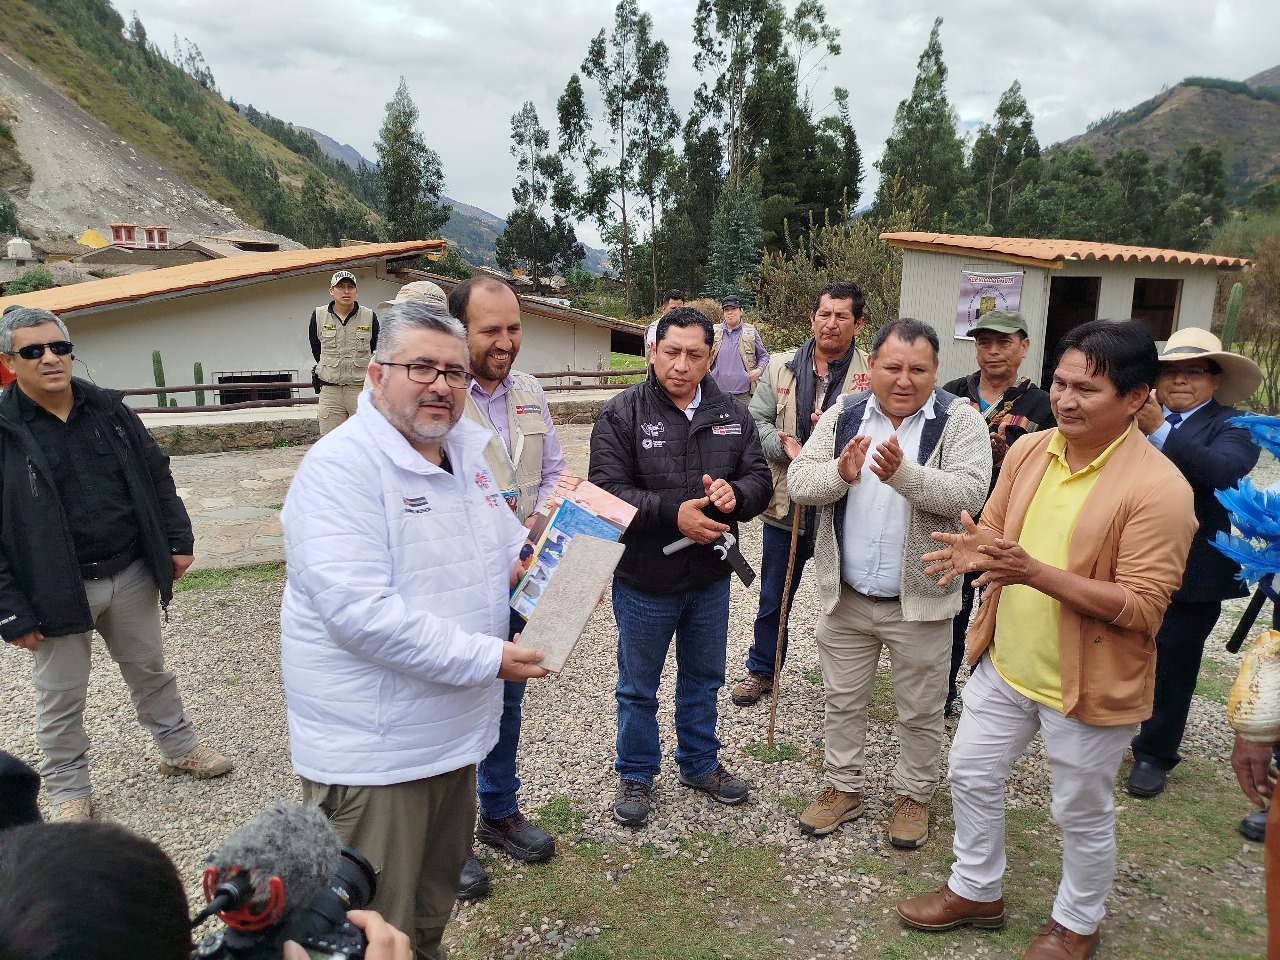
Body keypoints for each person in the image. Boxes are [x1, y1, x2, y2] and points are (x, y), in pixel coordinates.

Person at [896, 319, 1196, 960]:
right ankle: (976, 889)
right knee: (970, 774)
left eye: (1086, 389)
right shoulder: (1034, 451)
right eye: (1060, 383)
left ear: (1136, 397)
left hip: (1086, 680)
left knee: (1079, 811)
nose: (1064, 400)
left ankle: (1076, 925)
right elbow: (997, 532)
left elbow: (1142, 608)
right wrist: (975, 551)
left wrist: (1030, 571)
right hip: (1005, 663)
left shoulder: (1161, 490)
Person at [280, 300, 548, 958]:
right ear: (376, 377)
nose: (440, 385)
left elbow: (505, 551)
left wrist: (548, 556)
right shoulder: (340, 469)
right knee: (371, 932)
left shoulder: (465, 453)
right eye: (420, 367)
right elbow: (361, 617)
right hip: (377, 756)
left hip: (450, 740)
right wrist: (489, 658)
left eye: (454, 373)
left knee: (428, 913)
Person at [0, 306, 231, 824]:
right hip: (55, 588)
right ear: (9, 362)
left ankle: (178, 748)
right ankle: (67, 789)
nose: (50, 358)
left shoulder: (108, 409)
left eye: (59, 347)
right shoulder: (4, 429)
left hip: (129, 573)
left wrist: (177, 538)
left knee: (149, 668)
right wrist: (10, 609)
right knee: (60, 695)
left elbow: (156, 472)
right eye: (33, 351)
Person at [787, 318, 991, 848]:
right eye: (893, 367)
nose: (904, 379)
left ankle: (913, 794)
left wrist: (904, 474)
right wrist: (842, 474)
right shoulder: (845, 414)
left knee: (921, 707)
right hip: (847, 597)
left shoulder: (958, 420)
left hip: (919, 601)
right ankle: (843, 784)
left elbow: (970, 492)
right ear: (871, 366)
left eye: (918, 369)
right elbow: (800, 482)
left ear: (936, 370)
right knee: (842, 698)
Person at [589, 306, 772, 827]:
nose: (681, 365)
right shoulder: (621, 414)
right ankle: (637, 773)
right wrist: (675, 515)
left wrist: (737, 495)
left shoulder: (731, 414)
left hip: (710, 578)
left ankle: (698, 762)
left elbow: (759, 477)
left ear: (711, 357)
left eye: (694, 354)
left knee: (704, 676)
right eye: (671, 352)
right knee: (637, 684)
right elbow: (606, 492)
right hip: (646, 578)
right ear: (652, 351)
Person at [446, 275, 567, 900]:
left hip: (524, 570)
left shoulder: (528, 391)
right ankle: (449, 839)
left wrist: (539, 522)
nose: (505, 341)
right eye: (490, 330)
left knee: (507, 698)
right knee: (454, 703)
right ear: (459, 330)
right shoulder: (442, 399)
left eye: (513, 328)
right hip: (463, 579)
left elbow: (551, 470)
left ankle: (498, 811)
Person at [1124, 328, 1261, 799]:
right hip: (1128, 558)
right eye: (1171, 371)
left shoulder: (1234, 426)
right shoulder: (1128, 416)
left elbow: (1220, 472)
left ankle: (1154, 753)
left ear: (1215, 380)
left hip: (1194, 567)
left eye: (1194, 371)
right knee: (1121, 646)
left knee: (1174, 661)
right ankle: (1115, 726)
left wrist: (1158, 429)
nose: (1180, 380)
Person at [731, 282, 872, 708]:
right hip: (785, 506)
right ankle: (762, 670)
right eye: (824, 314)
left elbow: (884, 427)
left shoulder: (873, 372)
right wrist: (788, 446)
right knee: (775, 594)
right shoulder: (779, 367)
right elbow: (753, 423)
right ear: (812, 318)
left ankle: (848, 682)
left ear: (858, 323)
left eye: (842, 316)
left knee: (850, 598)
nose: (831, 323)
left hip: (845, 508)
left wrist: (823, 452)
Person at [941, 310, 1054, 717]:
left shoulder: (1043, 405)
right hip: (953, 522)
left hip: (1008, 529)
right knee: (950, 610)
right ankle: (942, 692)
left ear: (1024, 347)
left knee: (998, 607)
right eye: (984, 342)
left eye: (1004, 342)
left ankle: (988, 693)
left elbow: (1053, 465)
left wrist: (1013, 459)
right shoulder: (951, 395)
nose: (993, 352)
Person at [309, 269, 379, 435]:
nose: (346, 291)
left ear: (357, 291)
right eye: (340, 287)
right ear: (331, 291)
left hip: (360, 390)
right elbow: (316, 349)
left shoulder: (369, 316)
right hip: (331, 391)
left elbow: (376, 351)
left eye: (350, 287)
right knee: (330, 444)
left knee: (366, 442)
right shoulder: (319, 315)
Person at [709, 294, 768, 403]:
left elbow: (764, 356)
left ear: (741, 311)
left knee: (745, 420)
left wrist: (759, 370)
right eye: (726, 310)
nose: (730, 313)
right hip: (717, 392)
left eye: (733, 309)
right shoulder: (714, 331)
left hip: (744, 394)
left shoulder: (751, 332)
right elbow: (702, 354)